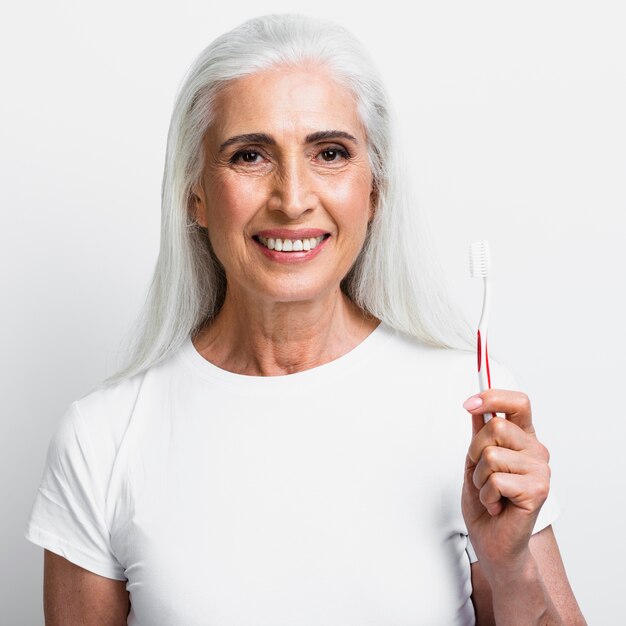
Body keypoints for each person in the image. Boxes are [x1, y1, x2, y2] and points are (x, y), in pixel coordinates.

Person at [24, 13, 586, 625]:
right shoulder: (102, 437)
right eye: (250, 156)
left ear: (374, 191)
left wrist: (511, 566)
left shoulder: (470, 408)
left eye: (330, 153)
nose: (293, 198)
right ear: (195, 194)